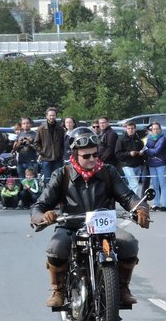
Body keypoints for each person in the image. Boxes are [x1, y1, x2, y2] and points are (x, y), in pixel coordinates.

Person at [30, 128, 150, 308]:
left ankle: (122, 288)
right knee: (56, 246)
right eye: (86, 156)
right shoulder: (62, 174)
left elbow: (127, 196)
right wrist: (43, 216)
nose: (92, 159)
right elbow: (39, 206)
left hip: (103, 227)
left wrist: (140, 209)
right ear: (75, 155)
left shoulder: (108, 172)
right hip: (70, 226)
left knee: (129, 242)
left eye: (95, 155)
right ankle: (58, 290)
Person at [35, 107, 65, 185]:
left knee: (58, 179)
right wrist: (42, 152)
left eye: (53, 115)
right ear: (47, 116)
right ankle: (47, 196)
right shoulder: (41, 129)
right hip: (46, 159)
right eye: (50, 115)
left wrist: (60, 153)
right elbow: (36, 143)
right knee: (47, 180)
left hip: (58, 159)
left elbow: (63, 143)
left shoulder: (60, 129)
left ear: (56, 116)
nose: (52, 117)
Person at [143, 122, 166, 211]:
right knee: (155, 185)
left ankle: (164, 204)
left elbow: (157, 151)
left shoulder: (163, 138)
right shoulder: (149, 138)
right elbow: (145, 149)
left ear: (160, 130)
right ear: (151, 130)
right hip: (151, 164)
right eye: (154, 129)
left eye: (157, 129)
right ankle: (156, 204)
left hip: (161, 164)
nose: (155, 130)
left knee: (162, 184)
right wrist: (149, 149)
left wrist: (148, 149)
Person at [116, 121, 145, 192]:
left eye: (132, 128)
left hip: (137, 165)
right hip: (127, 165)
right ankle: (135, 202)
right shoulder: (121, 140)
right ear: (126, 129)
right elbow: (117, 154)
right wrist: (129, 154)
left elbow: (143, 150)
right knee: (135, 185)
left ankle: (129, 201)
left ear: (135, 129)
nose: (130, 130)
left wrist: (142, 153)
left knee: (132, 186)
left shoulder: (138, 139)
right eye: (129, 128)